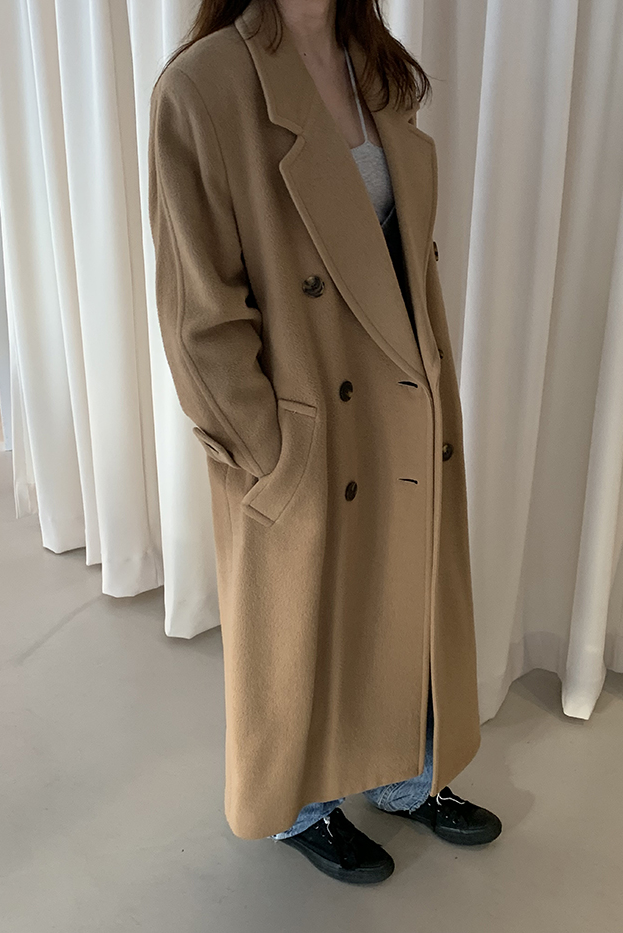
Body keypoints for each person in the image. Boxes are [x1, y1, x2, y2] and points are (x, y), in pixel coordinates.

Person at [148, 0, 501, 885]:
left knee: (402, 599)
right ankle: (301, 806)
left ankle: (404, 774)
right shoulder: (203, 88)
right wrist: (273, 452)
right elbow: (200, 317)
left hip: (401, 397)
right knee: (302, 622)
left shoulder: (375, 64)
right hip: (311, 419)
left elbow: (403, 257)